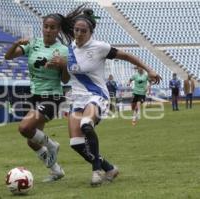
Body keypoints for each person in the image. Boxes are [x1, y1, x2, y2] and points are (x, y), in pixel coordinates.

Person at [49, 5, 162, 186]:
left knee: (87, 125)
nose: (78, 34)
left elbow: (126, 56)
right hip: (77, 98)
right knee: (76, 143)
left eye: (83, 31)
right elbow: (66, 78)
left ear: (90, 32)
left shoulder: (100, 47)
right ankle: (109, 168)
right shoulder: (69, 49)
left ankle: (96, 172)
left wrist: (149, 70)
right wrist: (60, 65)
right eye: (76, 30)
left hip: (96, 95)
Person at [4, 13, 73, 182]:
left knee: (24, 128)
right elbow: (8, 56)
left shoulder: (63, 50)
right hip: (35, 96)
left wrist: (63, 66)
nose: (48, 30)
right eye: (46, 26)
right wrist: (15, 44)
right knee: (32, 141)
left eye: (52, 27)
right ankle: (56, 171)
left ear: (58, 30)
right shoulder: (34, 44)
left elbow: (65, 80)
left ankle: (52, 146)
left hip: (52, 97)